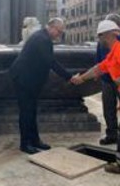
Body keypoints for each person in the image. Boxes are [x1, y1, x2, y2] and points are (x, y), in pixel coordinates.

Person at [9, 17, 73, 154]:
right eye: (59, 31)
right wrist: (70, 77)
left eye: (61, 32)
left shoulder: (42, 37)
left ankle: (34, 140)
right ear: (51, 27)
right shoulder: (42, 39)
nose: (59, 35)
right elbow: (51, 62)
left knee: (31, 111)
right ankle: (25, 144)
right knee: (26, 112)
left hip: (29, 79)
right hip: (23, 79)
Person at [71, 19, 120, 174]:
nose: (100, 40)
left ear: (108, 35)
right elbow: (98, 68)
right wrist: (81, 78)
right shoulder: (113, 53)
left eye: (101, 36)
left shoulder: (119, 50)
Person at [97, 14, 120, 145]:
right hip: (107, 80)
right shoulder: (102, 42)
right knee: (108, 108)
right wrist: (97, 74)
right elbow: (99, 59)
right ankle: (112, 134)